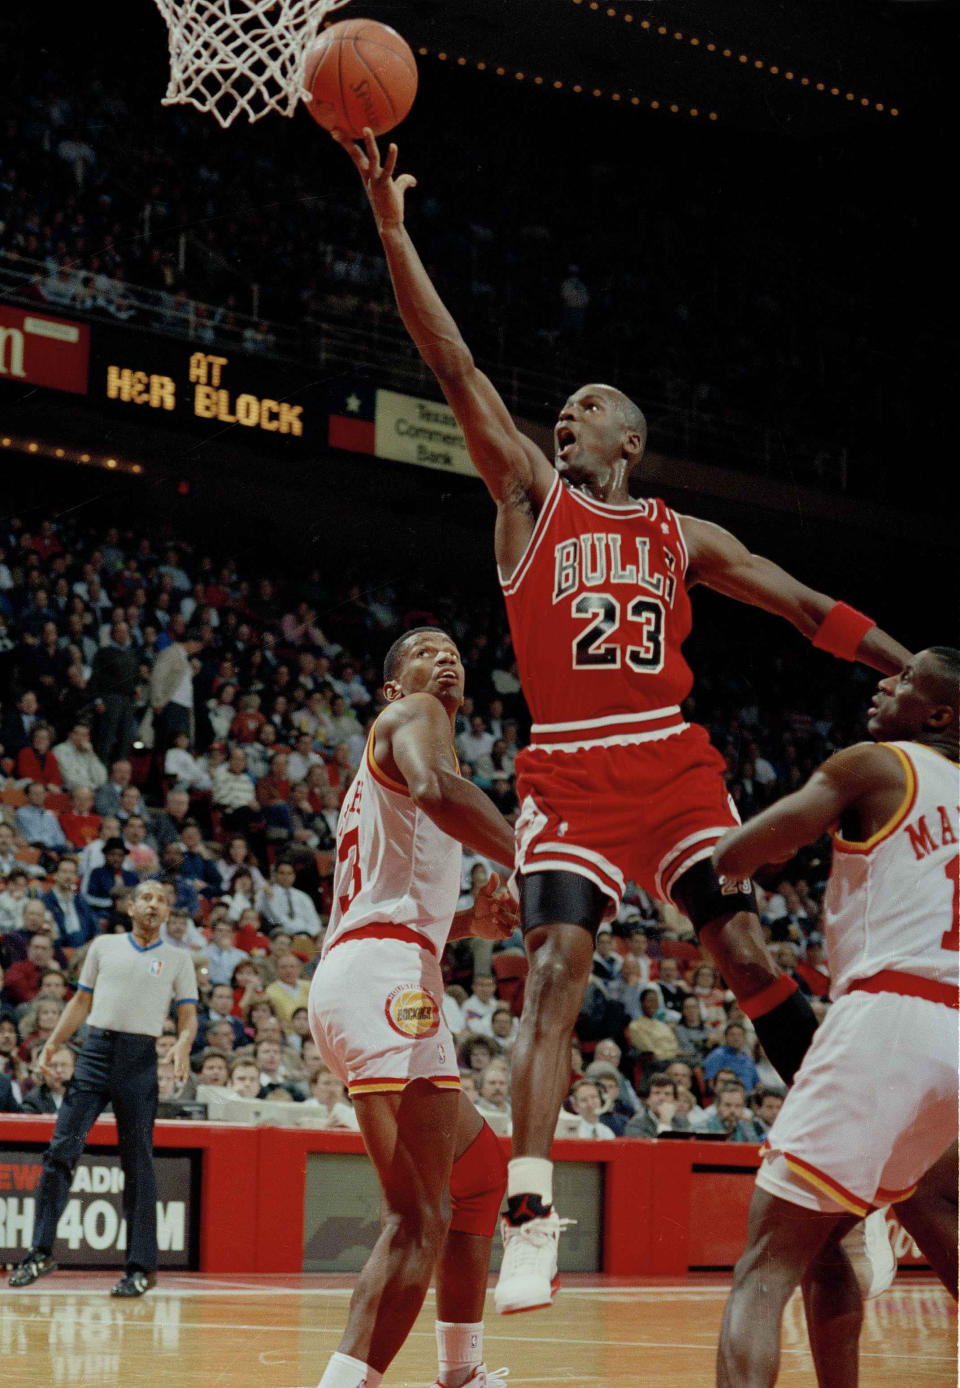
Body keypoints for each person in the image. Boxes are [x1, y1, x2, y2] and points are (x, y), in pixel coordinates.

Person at [334, 127, 914, 1315]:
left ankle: (856, 1183)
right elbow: (453, 365)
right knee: (553, 968)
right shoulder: (528, 502)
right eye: (563, 405)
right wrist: (393, 229)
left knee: (750, 956)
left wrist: (925, 673)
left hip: (675, 758)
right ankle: (538, 1213)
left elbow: (804, 604)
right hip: (574, 772)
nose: (566, 413)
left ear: (628, 443)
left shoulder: (677, 534)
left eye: (587, 406)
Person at [713, 648, 960, 1384]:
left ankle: (867, 1200)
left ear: (940, 715)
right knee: (832, 1238)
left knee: (763, 1268)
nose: (886, 682)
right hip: (953, 1038)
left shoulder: (877, 766)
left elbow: (742, 850)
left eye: (907, 678)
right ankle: (872, 1205)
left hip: (885, 1015)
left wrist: (719, 850)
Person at [308, 627, 517, 1388]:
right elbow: (438, 791)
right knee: (417, 1219)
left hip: (386, 969)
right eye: (426, 650)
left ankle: (462, 1373)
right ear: (394, 688)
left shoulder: (405, 752)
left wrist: (472, 924)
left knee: (480, 1176)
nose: (448, 657)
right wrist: (529, 852)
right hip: (384, 979)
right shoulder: (416, 718)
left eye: (455, 647)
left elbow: (394, 901)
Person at [8, 879, 197, 1296]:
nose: (154, 904)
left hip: (139, 1057)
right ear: (131, 906)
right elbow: (80, 1002)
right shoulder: (102, 946)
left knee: (138, 1162)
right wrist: (54, 1041)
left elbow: (188, 1016)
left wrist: (183, 1042)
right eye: (147, 897)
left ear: (167, 912)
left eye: (162, 900)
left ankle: (141, 1268)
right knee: (61, 1150)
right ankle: (39, 1252)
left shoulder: (179, 959)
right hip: (94, 1051)